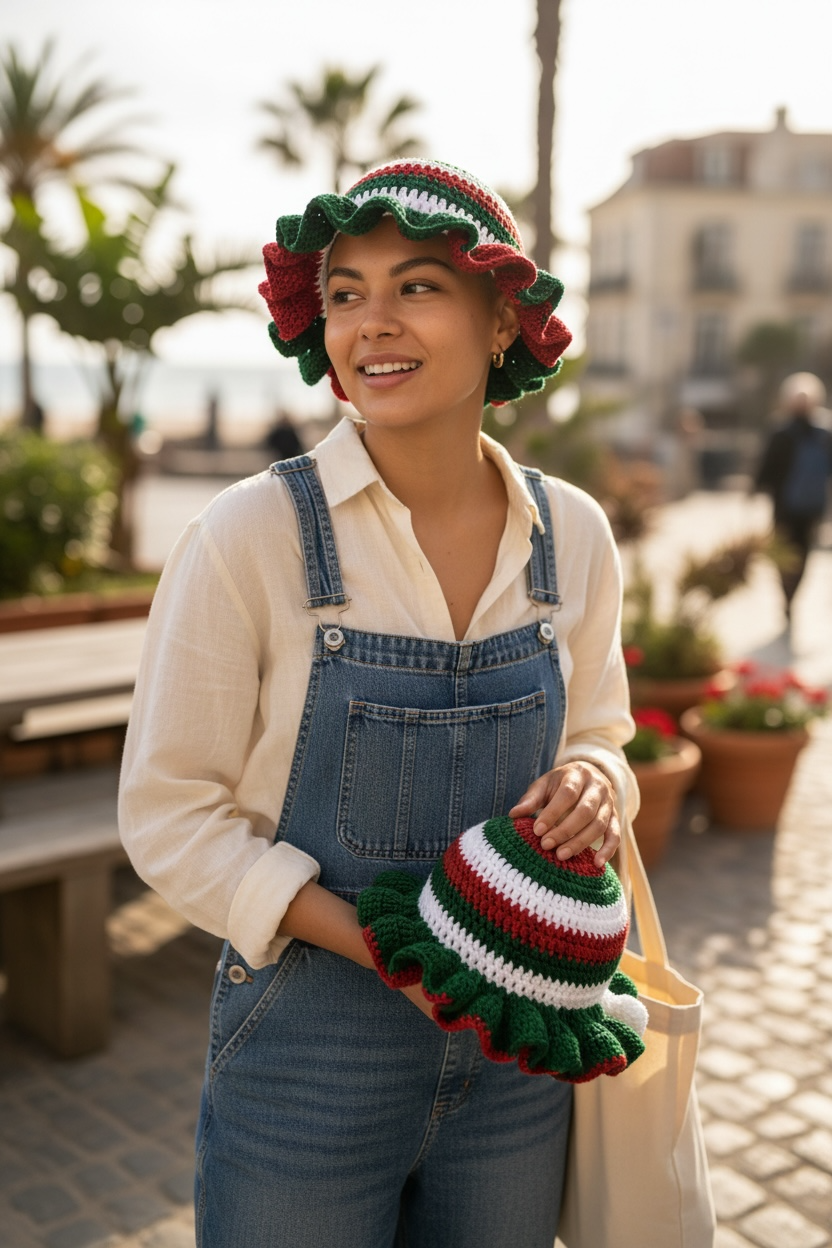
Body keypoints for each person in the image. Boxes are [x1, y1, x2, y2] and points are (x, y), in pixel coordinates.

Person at [119, 159, 639, 1248]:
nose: (371, 324)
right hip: (310, 1056)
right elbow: (169, 816)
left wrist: (597, 777)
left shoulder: (573, 535)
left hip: (518, 1055)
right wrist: (393, 950)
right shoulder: (249, 536)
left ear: (504, 319)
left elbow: (601, 726)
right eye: (345, 293)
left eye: (416, 287)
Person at [754, 371, 832, 621]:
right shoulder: (818, 432)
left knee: (791, 553)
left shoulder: (799, 431)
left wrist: (757, 488)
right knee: (796, 552)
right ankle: (790, 594)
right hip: (802, 505)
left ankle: (789, 594)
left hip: (795, 506)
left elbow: (767, 467)